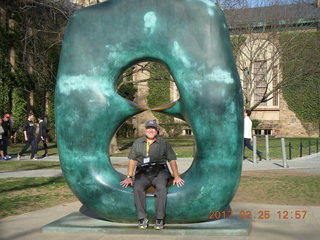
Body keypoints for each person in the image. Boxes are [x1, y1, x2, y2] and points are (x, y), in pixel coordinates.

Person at [120, 120, 184, 230]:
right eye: (148, 128)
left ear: (157, 130)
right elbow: (132, 160)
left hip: (160, 171)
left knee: (161, 187)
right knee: (138, 187)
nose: (150, 130)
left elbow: (172, 160)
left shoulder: (164, 143)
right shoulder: (138, 143)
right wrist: (129, 177)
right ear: (145, 129)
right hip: (143, 172)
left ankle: (159, 218)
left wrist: (177, 176)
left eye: (153, 128)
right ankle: (142, 218)